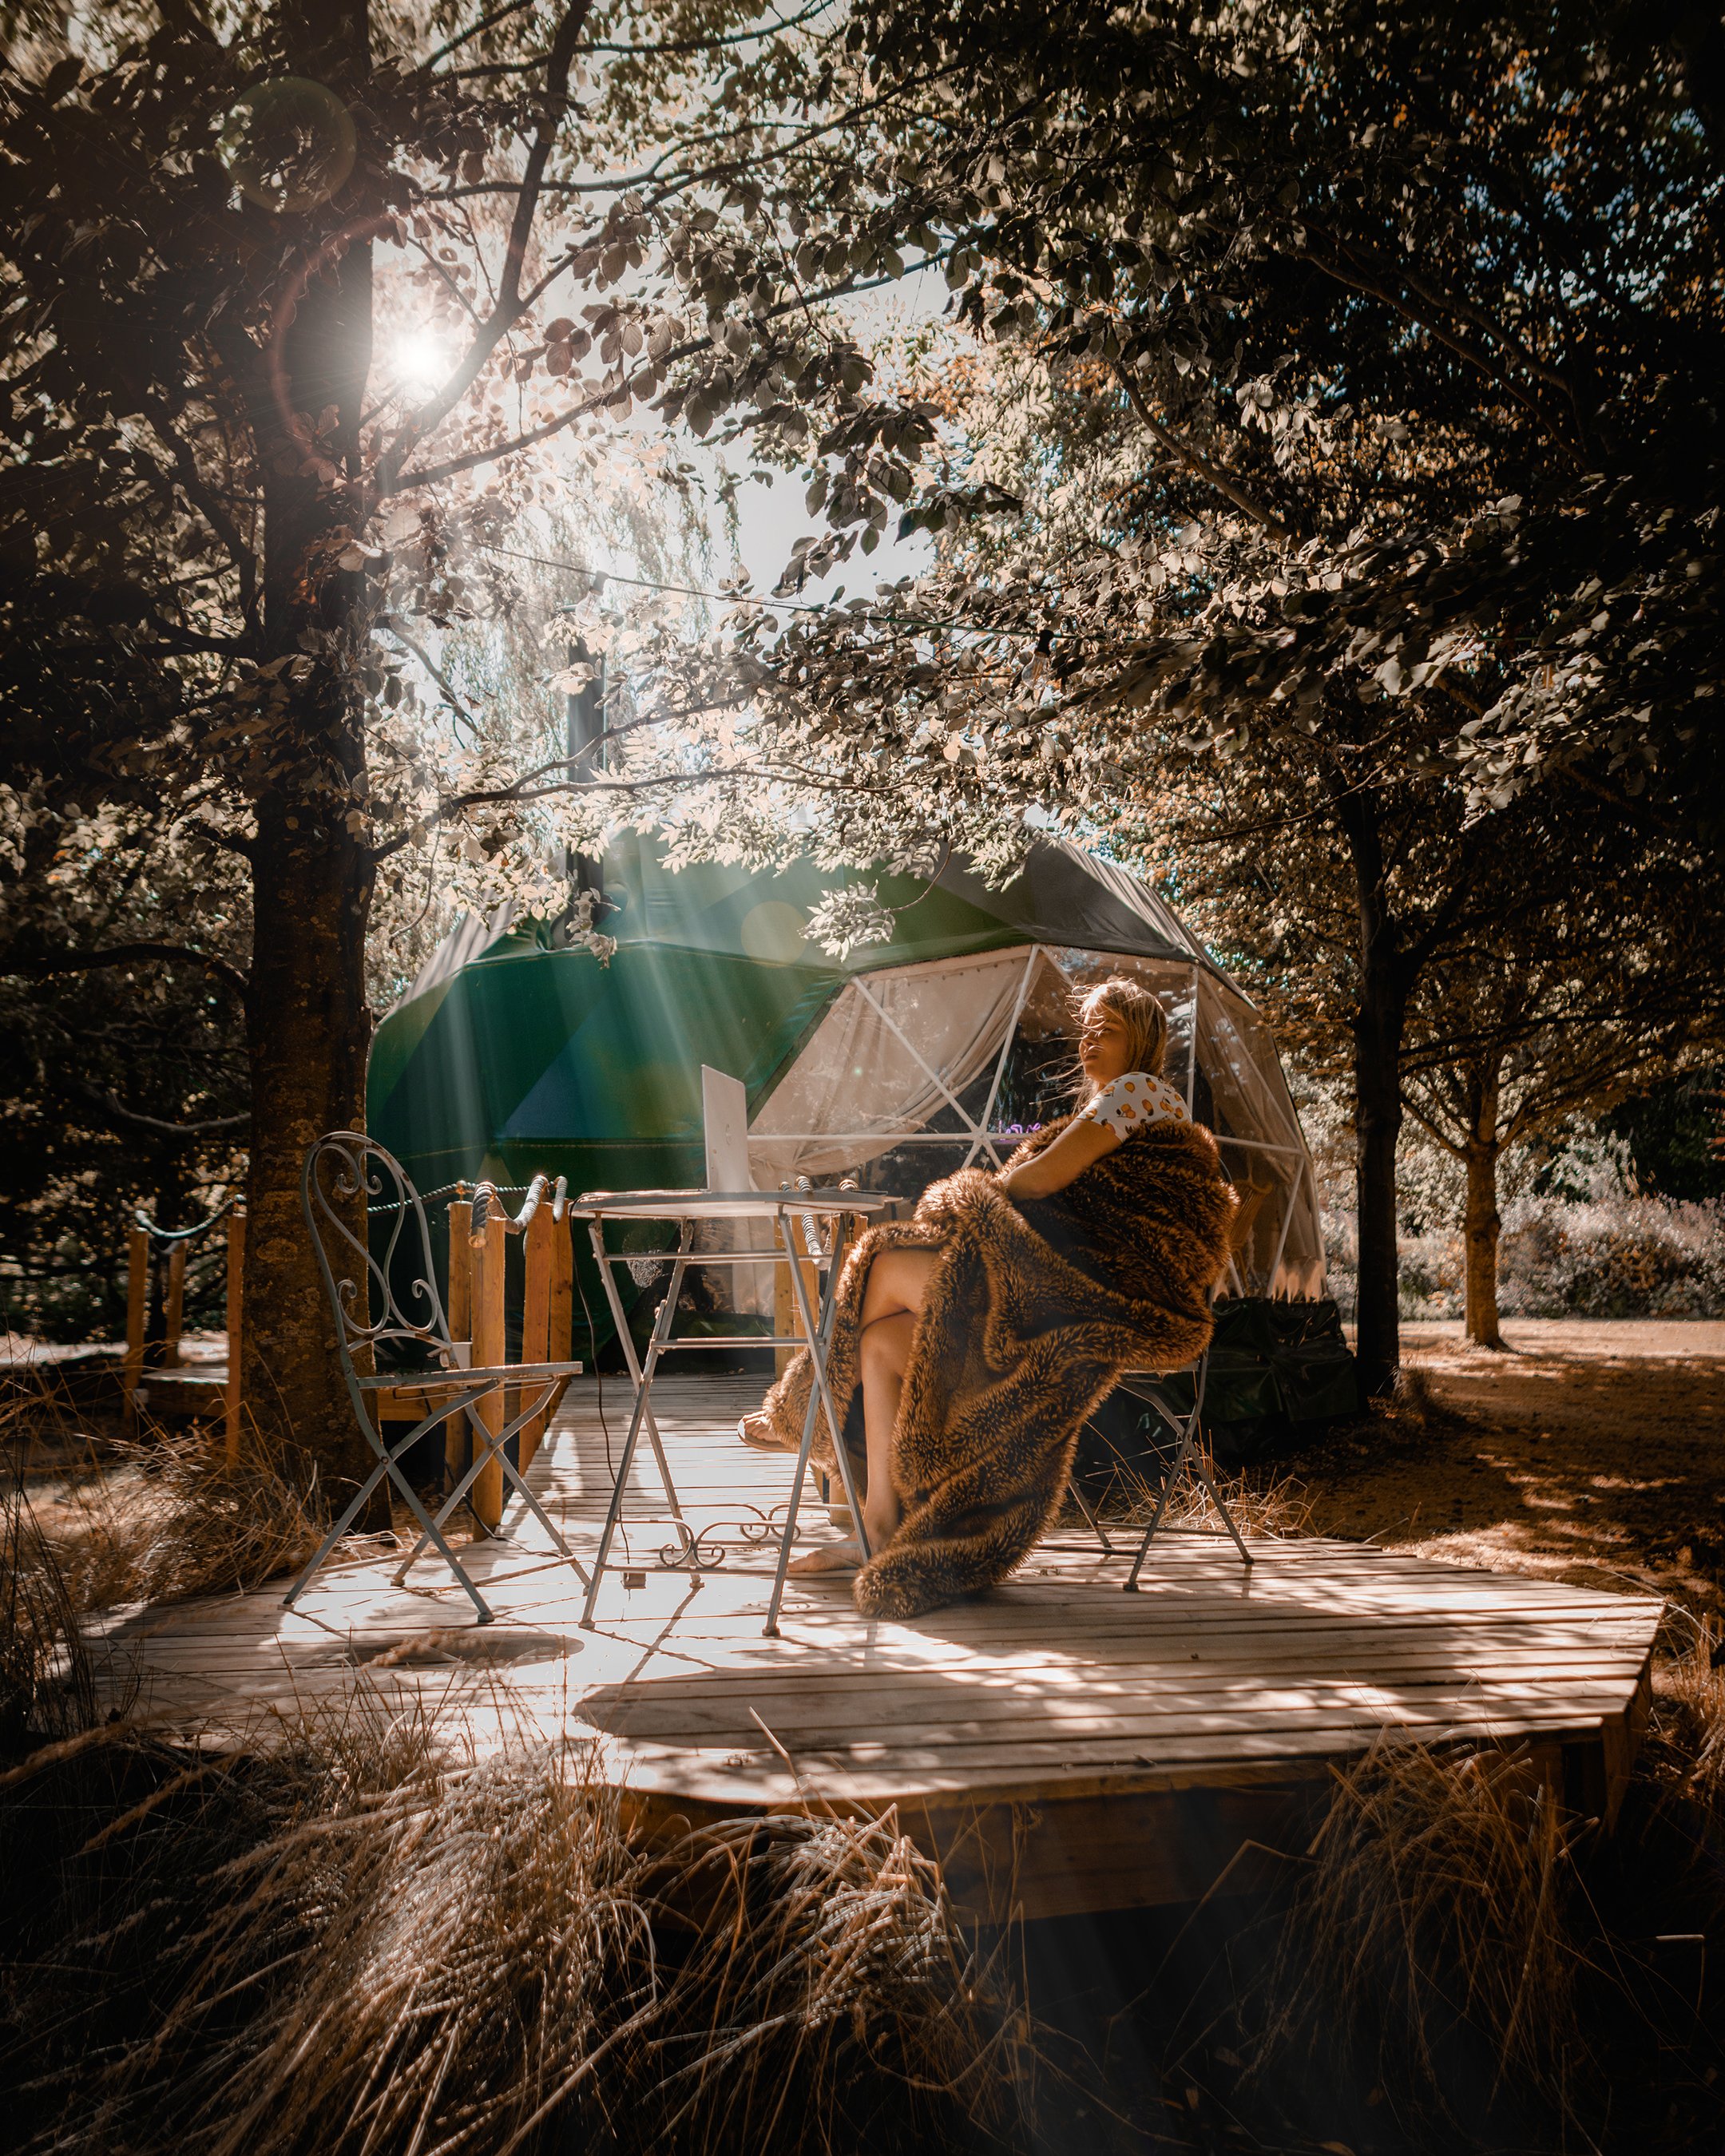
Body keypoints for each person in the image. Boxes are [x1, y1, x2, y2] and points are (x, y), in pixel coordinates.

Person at [740, 974, 1190, 1574]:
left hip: (1061, 1307)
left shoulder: (1137, 1093)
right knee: (876, 1344)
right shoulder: (1145, 1108)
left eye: (1106, 1029)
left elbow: (1042, 1180)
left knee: (877, 1264)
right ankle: (876, 1527)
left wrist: (974, 1194)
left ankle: (800, 1412)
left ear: (1145, 1039)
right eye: (1085, 1029)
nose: (1088, 1040)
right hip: (1065, 1295)